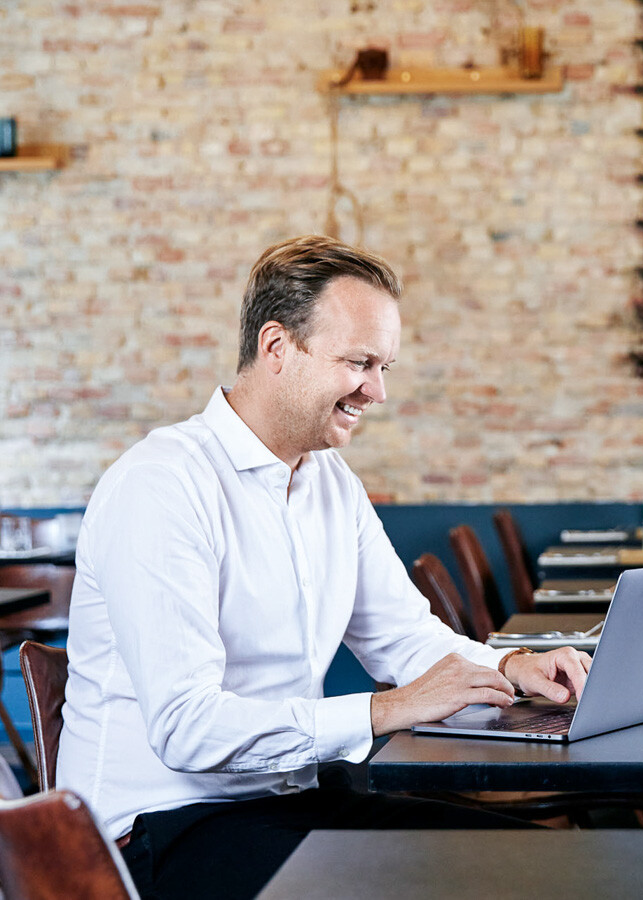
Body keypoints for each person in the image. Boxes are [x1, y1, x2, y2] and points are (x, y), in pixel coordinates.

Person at [57, 235, 591, 899]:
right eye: (360, 362)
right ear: (276, 348)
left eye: (385, 366)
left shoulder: (330, 482)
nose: (378, 391)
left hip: (290, 804)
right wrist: (385, 710)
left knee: (543, 868)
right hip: (153, 837)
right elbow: (187, 729)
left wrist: (510, 667)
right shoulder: (161, 484)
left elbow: (406, 639)